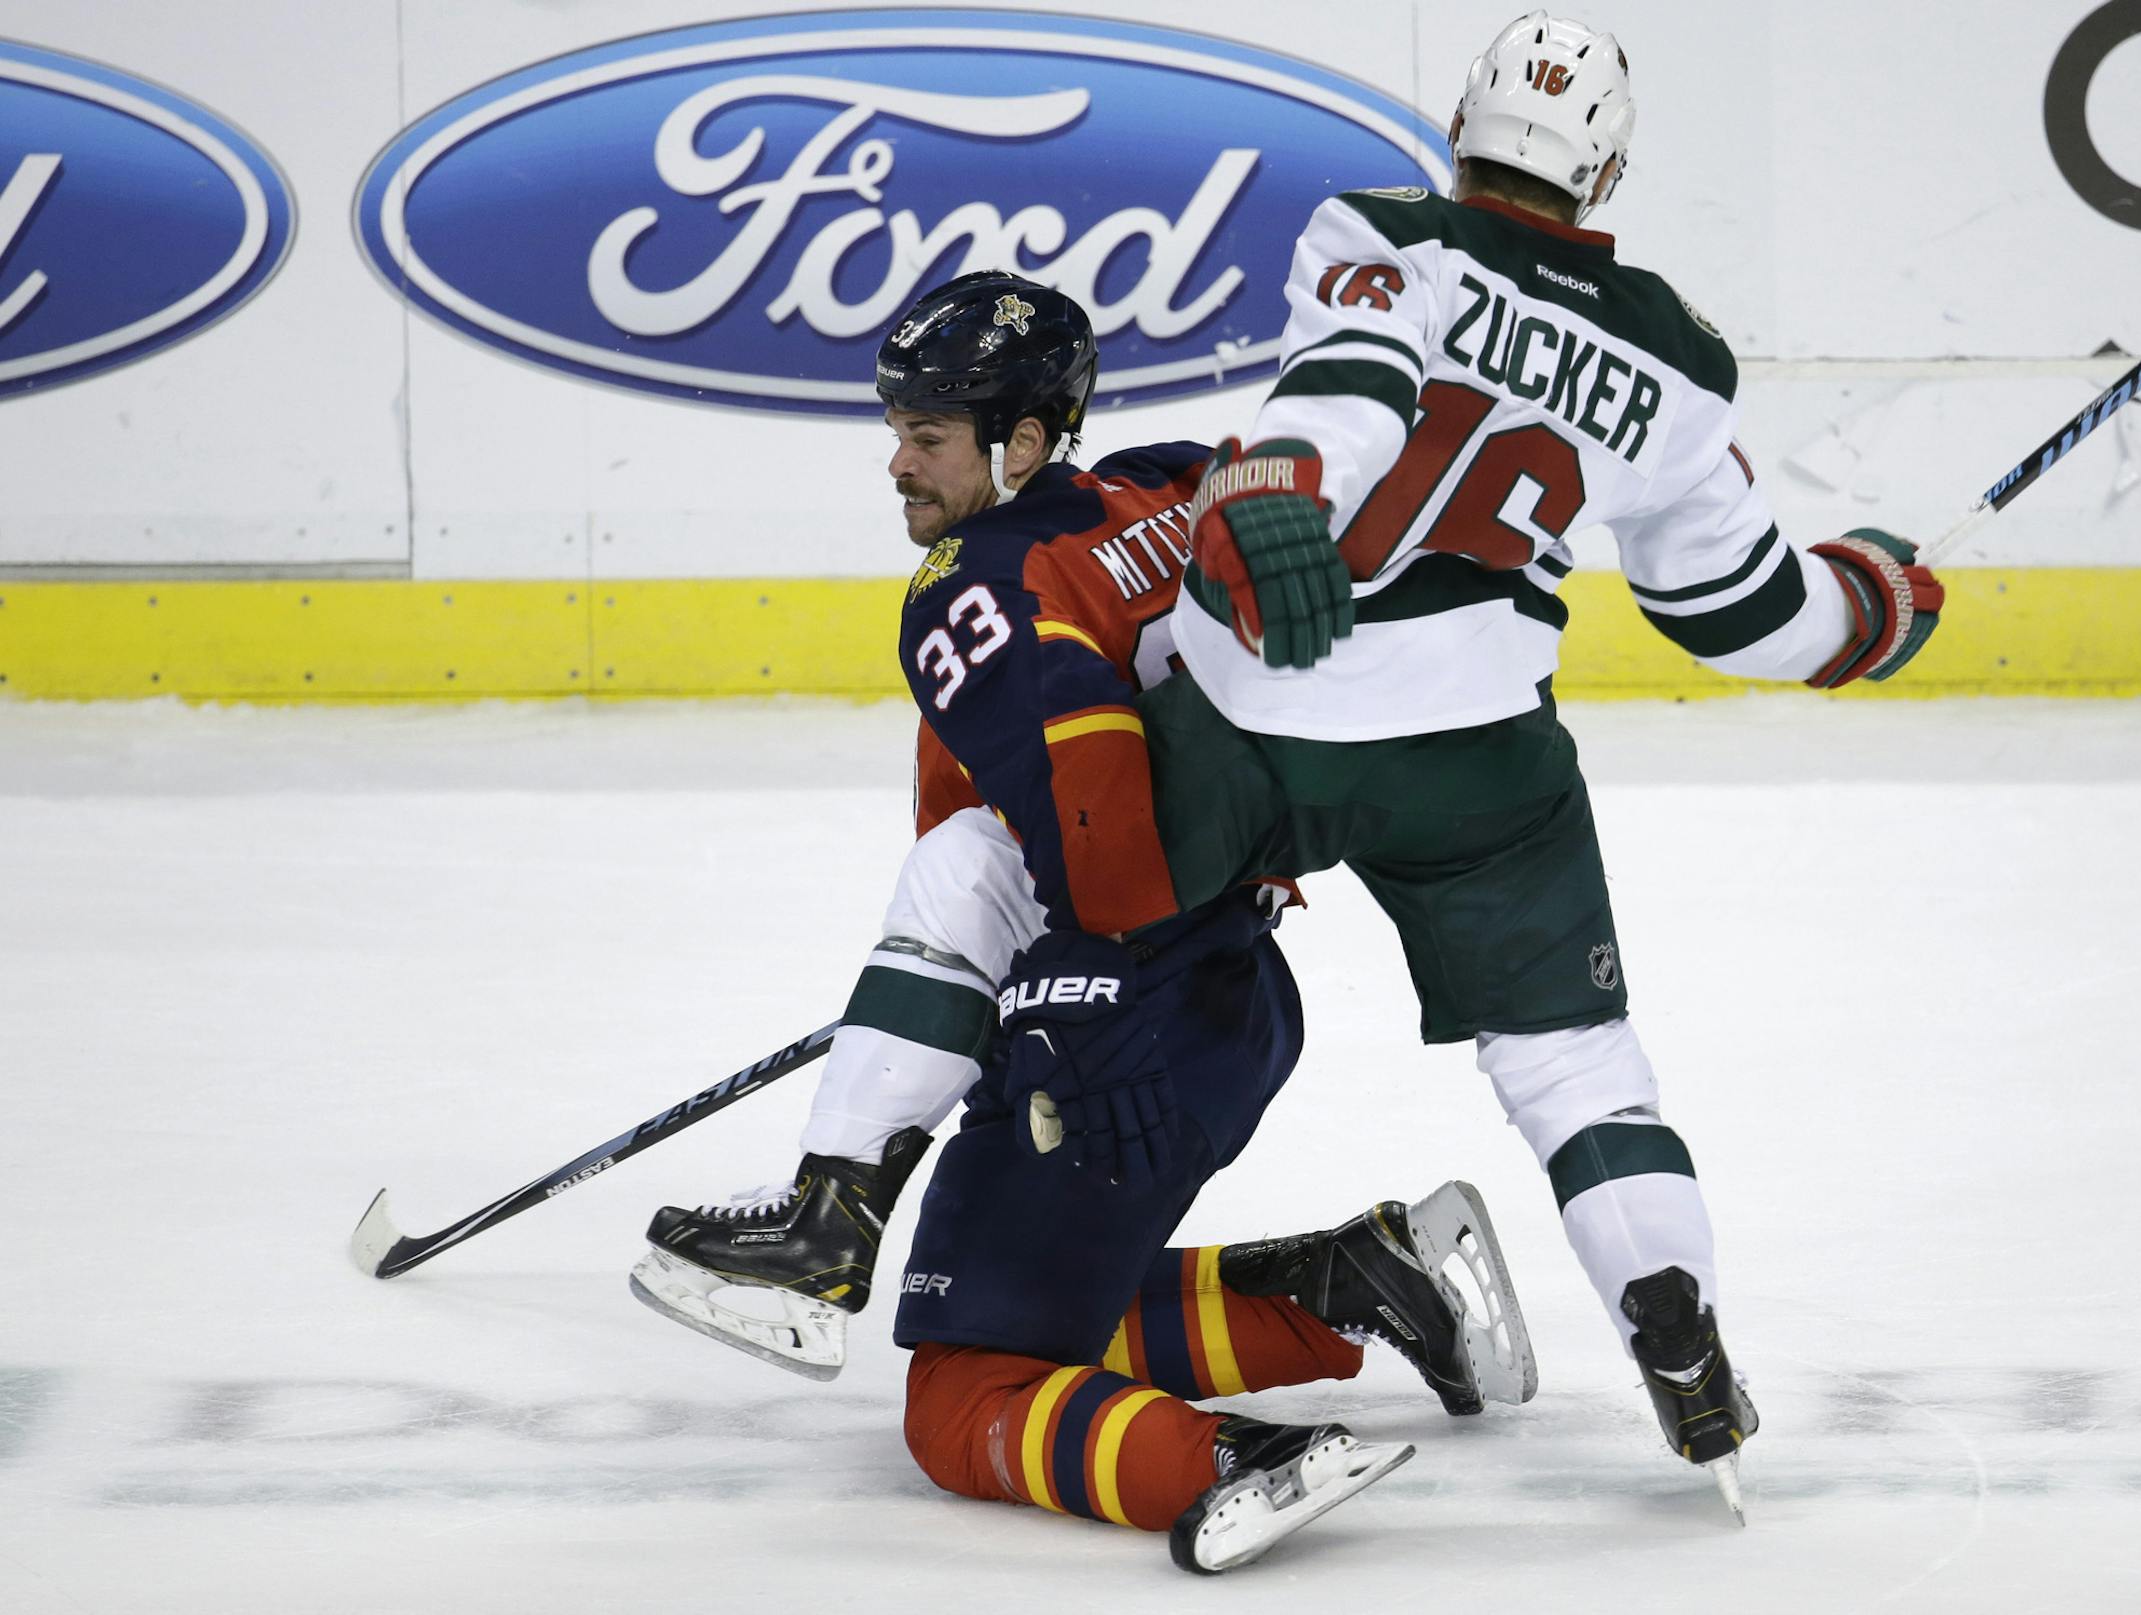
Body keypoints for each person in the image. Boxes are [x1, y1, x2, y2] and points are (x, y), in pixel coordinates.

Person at [1089, 11, 1946, 1521]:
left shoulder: (1386, 233)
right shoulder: (1676, 359)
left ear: (1465, 125)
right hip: (1474, 756)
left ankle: (902, 1175)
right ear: (1604, 164)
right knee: (1573, 1068)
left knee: (1080, 934)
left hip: (1254, 707)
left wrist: (1276, 484)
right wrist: (1869, 604)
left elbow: (1349, 387)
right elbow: (1741, 615)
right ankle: (1668, 1312)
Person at [629, 272, 1535, 1573]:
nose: (897, 464)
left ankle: (1224, 1455)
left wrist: (1040, 1020)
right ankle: (1353, 1283)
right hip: (1229, 992)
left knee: (959, 1397)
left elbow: (1083, 857)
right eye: (897, 430)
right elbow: (1290, 519)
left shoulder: (978, 585)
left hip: (1114, 1018)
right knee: (1005, 1303)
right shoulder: (1160, 490)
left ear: (1026, 442)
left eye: (928, 437)